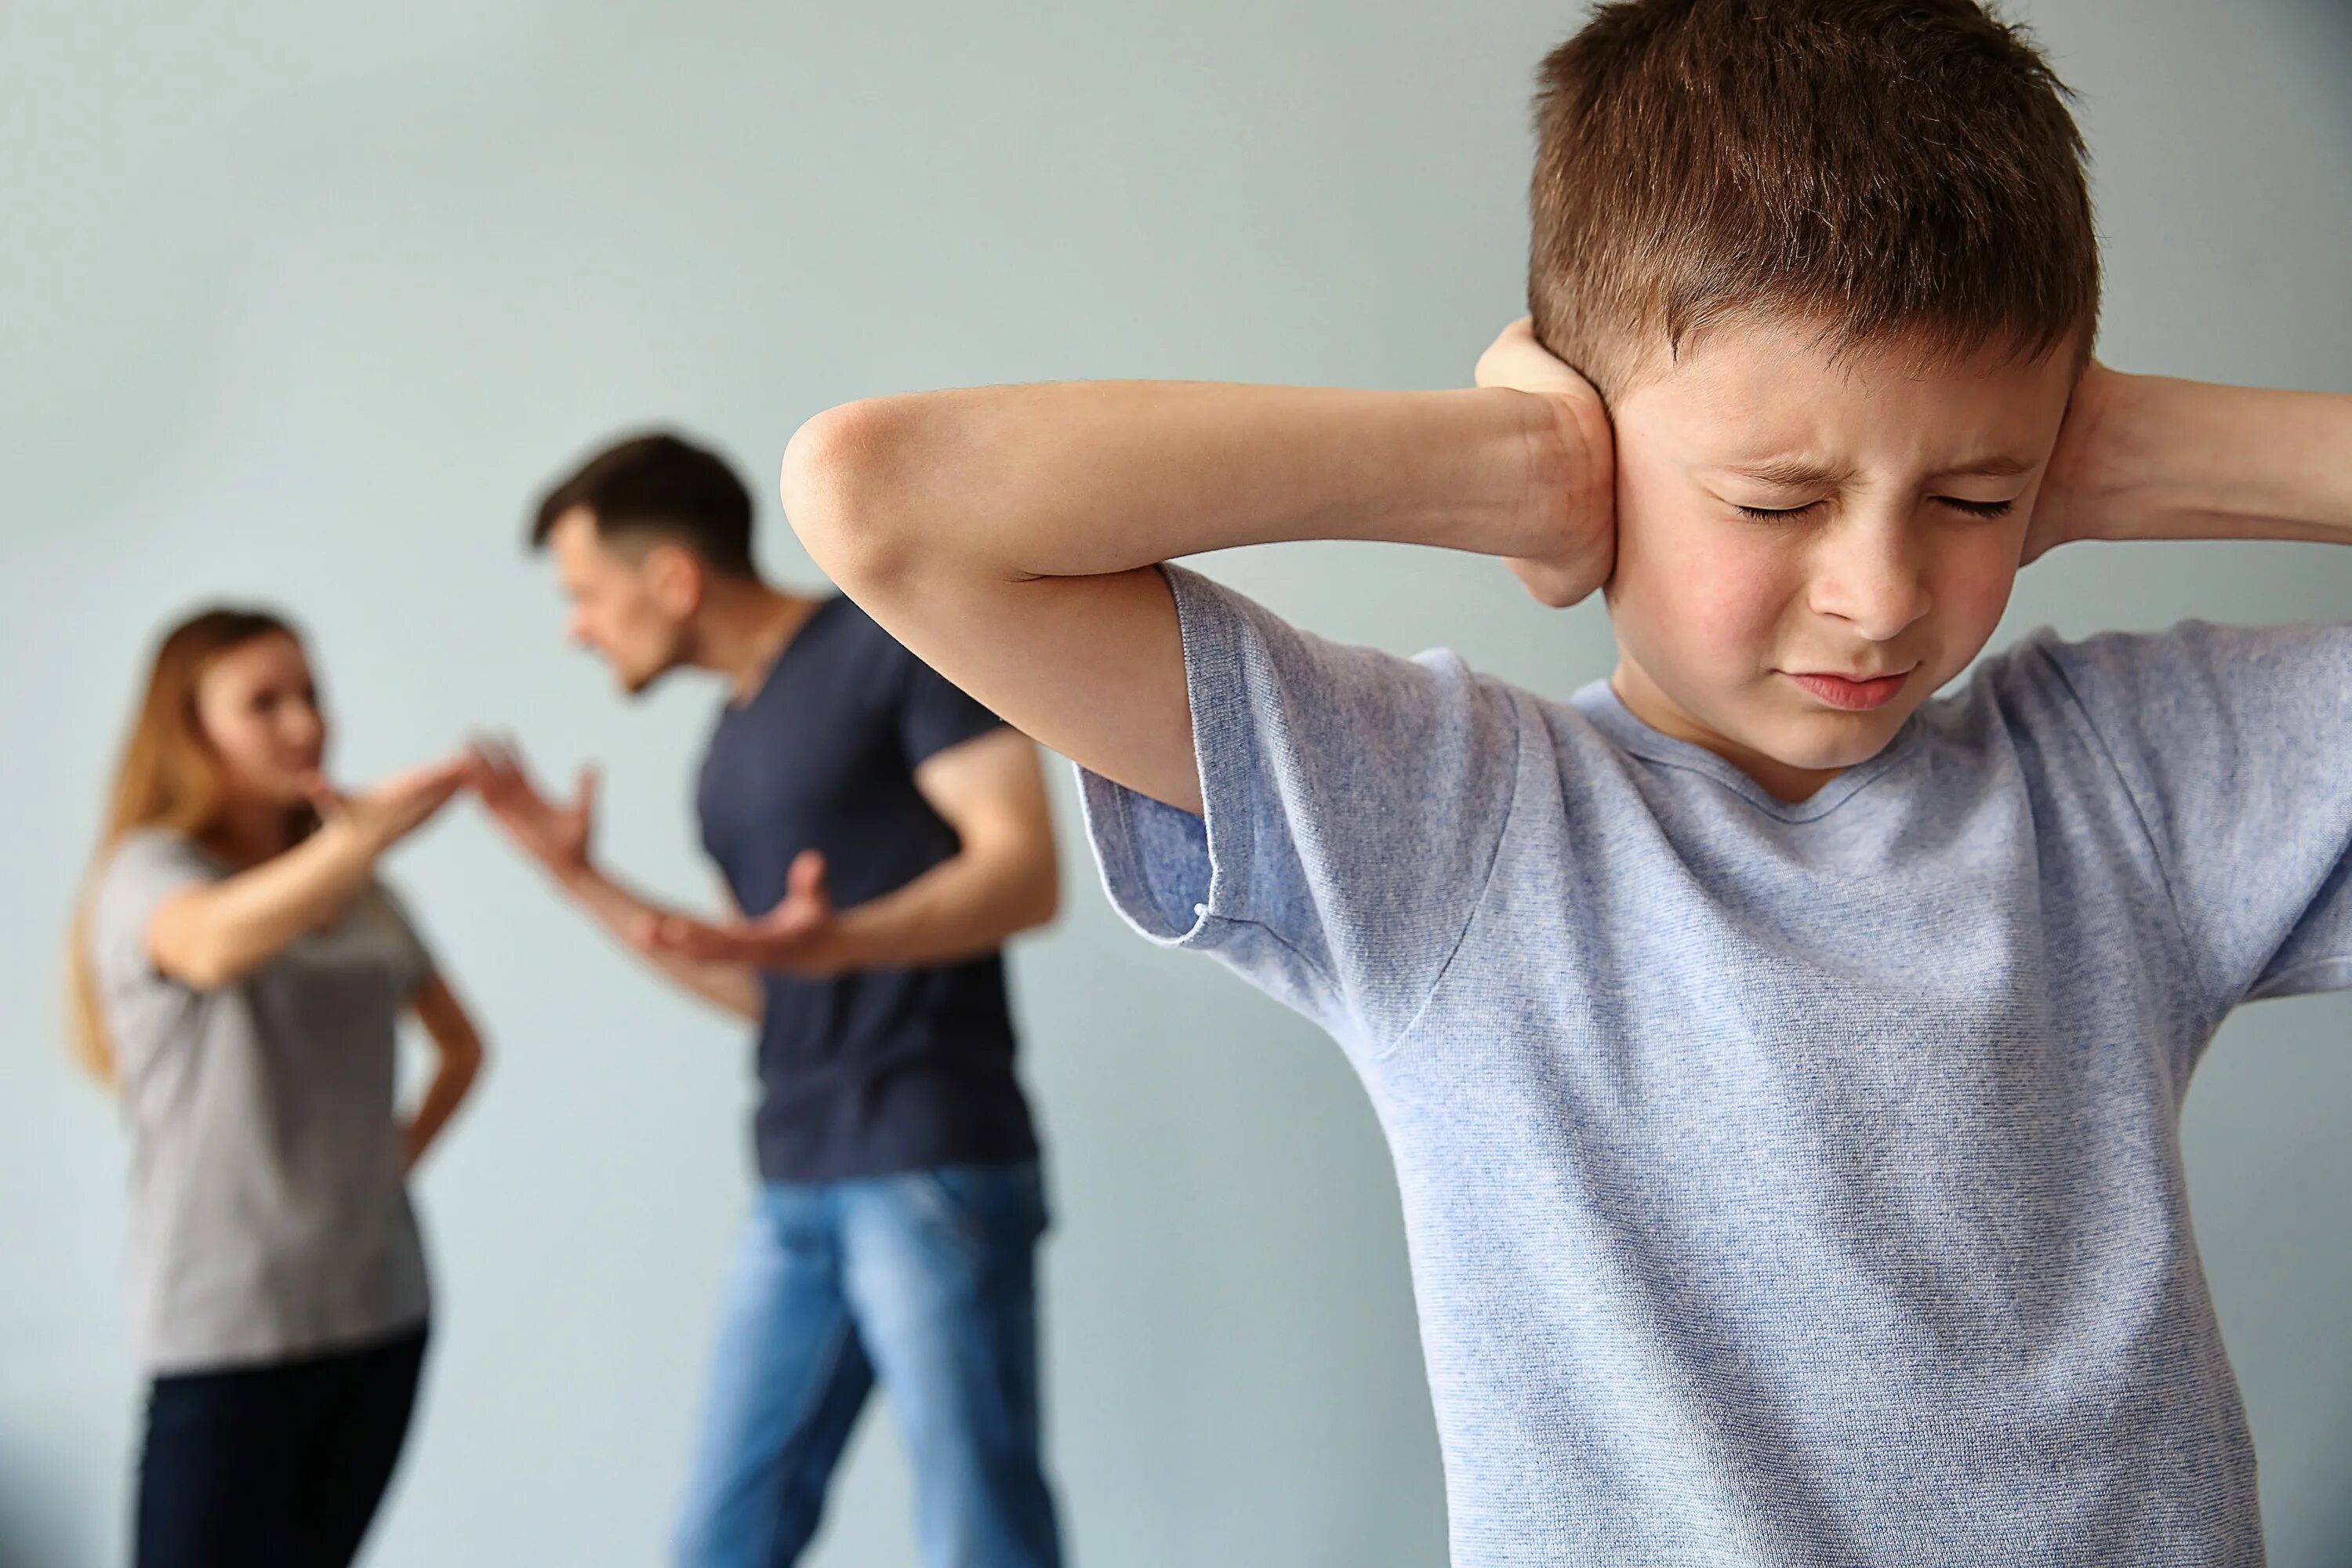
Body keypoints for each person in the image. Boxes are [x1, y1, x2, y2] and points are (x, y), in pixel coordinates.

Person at [764, 2, 2352, 1563]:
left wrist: (2155, 449)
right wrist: (1503, 468)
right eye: (1776, 498)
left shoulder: (2124, 789)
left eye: (1979, 491)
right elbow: (884, 497)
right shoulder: (1451, 829)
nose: (1880, 591)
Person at [471, 431, 1063, 1568]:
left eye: (585, 595)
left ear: (674, 578)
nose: (576, 628)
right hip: (797, 1179)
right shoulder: (726, 752)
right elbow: (765, 985)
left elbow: (1024, 871)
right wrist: (576, 876)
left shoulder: (895, 647)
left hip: (928, 1161)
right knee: (721, 1540)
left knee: (982, 1535)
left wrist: (850, 944)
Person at [69, 607, 486, 1568]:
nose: (303, 722)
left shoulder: (362, 891)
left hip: (379, 1305)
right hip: (226, 1324)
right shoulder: (149, 872)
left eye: (309, 692)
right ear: (189, 728)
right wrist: (360, 839)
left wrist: (388, 1163)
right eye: (264, 702)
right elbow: (212, 943)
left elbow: (464, 1045)